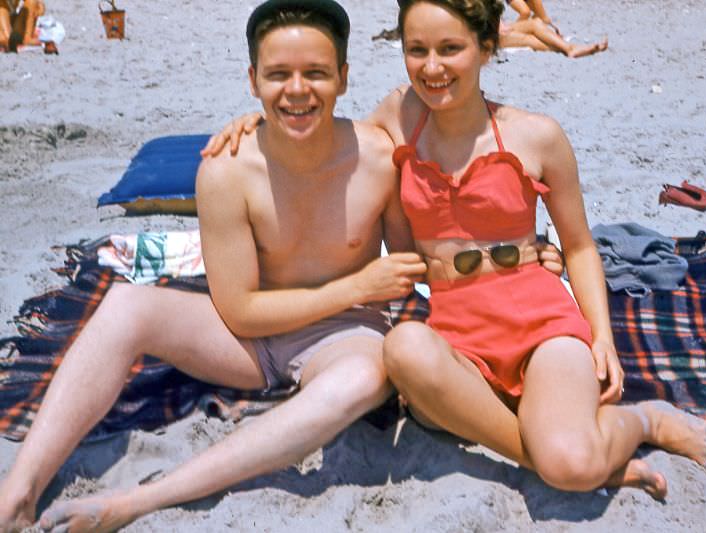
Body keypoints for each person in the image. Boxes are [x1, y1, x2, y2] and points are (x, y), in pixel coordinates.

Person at [204, 0, 706, 504]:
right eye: (417, 50)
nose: (432, 68)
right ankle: (544, 453)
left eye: (450, 48)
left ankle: (644, 421)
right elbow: (318, 135)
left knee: (570, 466)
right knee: (404, 347)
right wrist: (252, 125)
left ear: (486, 46)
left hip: (538, 320)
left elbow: (579, 246)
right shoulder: (399, 117)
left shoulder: (537, 136)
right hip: (456, 332)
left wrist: (602, 337)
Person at [0, 1, 429, 531]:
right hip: (248, 342)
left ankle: (138, 501)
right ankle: (17, 492)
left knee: (367, 377)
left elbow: (417, 252)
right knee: (127, 303)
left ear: (343, 76)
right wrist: (358, 284)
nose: (297, 90)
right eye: (278, 75)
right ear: (253, 80)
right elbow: (242, 312)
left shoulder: (379, 158)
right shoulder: (226, 170)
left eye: (316, 73)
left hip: (344, 338)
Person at [500, 0, 607, 58]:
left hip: (495, 27)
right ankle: (566, 49)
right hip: (487, 35)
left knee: (535, 24)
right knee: (528, 39)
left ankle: (570, 48)